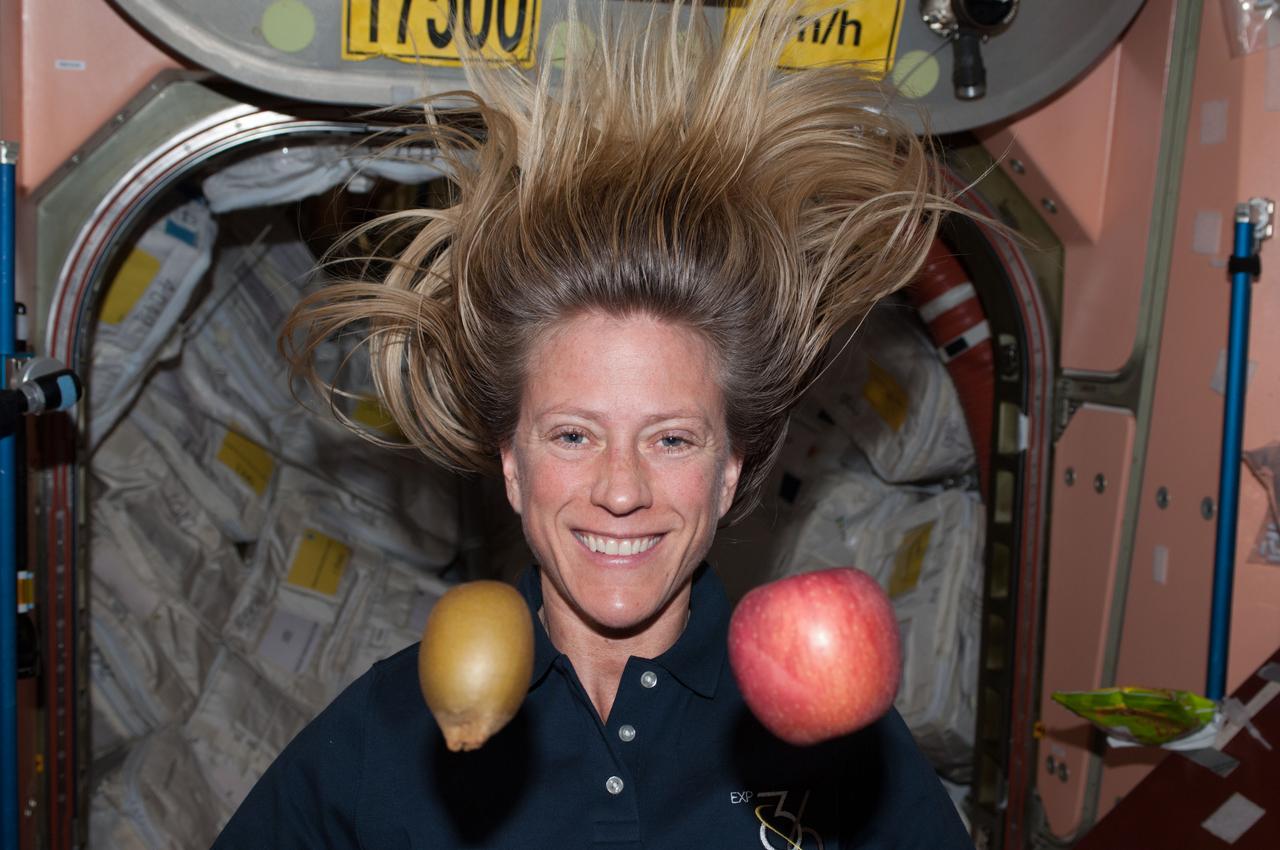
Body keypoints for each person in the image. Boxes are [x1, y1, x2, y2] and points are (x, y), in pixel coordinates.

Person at [212, 2, 975, 847]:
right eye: (573, 435)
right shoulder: (385, 737)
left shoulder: (831, 737)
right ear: (511, 463)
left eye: (672, 438)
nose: (621, 490)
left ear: (730, 468)